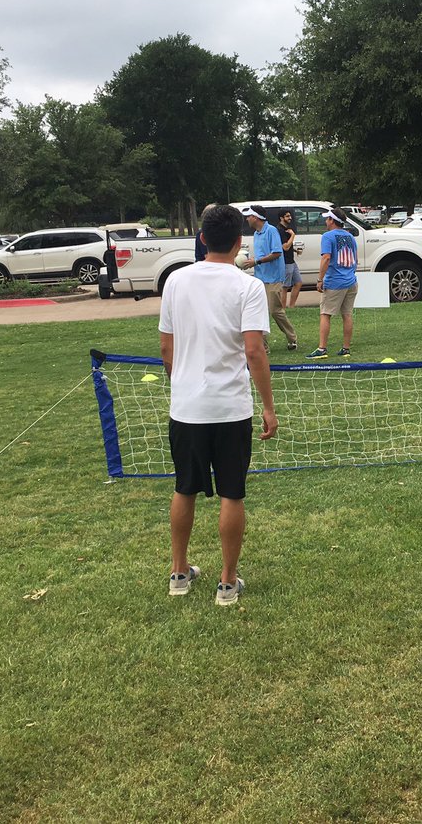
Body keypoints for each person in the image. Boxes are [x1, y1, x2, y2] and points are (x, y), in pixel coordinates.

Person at [158, 204, 278, 608]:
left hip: (187, 407)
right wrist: (268, 406)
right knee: (232, 492)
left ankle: (179, 571)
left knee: (184, 488)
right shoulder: (248, 286)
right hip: (229, 409)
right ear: (240, 242)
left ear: (203, 238)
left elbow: (166, 346)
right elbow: (255, 351)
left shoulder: (175, 280)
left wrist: (183, 384)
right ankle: (226, 582)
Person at [240, 204, 297, 351]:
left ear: (256, 217)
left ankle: (292, 337)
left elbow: (277, 253)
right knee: (259, 311)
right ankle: (263, 346)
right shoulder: (256, 234)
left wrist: (257, 261)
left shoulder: (271, 231)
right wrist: (251, 261)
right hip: (260, 278)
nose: (247, 219)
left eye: (249, 216)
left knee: (275, 311)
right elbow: (260, 255)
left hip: (274, 278)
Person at [306, 207, 358, 360]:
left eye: (327, 218)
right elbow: (354, 259)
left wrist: (320, 279)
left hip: (335, 282)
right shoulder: (350, 237)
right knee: (347, 315)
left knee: (325, 314)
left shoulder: (328, 236)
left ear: (332, 220)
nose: (325, 221)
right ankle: (346, 348)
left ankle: (322, 349)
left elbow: (326, 258)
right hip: (351, 281)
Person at [279, 210, 303, 307]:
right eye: (287, 216)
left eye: (290, 216)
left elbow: (287, 247)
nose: (290, 218)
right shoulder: (280, 230)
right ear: (281, 218)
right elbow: (285, 247)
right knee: (285, 287)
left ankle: (291, 307)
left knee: (298, 283)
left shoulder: (287, 228)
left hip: (291, 261)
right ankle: (282, 309)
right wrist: (293, 235)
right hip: (285, 262)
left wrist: (295, 251)